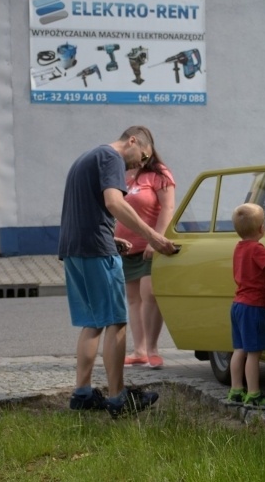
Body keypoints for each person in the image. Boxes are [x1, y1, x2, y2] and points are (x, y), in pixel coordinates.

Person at [59, 125, 178, 419]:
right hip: (96, 251)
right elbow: (114, 203)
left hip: (74, 248)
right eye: (143, 157)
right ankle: (117, 398)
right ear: (133, 141)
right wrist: (153, 236)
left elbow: (83, 208)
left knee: (93, 322)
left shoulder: (86, 157)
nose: (140, 164)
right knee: (116, 321)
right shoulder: (111, 158)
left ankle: (83, 394)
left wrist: (110, 237)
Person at [115, 130, 176, 370]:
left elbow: (167, 209)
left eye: (144, 156)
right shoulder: (121, 172)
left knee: (150, 295)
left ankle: (152, 349)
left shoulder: (160, 174)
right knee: (133, 300)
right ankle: (139, 351)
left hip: (151, 246)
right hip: (125, 246)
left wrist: (156, 239)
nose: (140, 160)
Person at [226, 204, 265, 409]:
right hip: (253, 307)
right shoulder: (256, 249)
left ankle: (236, 391)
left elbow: (260, 259)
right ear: (262, 229)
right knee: (254, 354)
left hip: (238, 305)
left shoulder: (241, 247)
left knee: (239, 350)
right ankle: (254, 394)